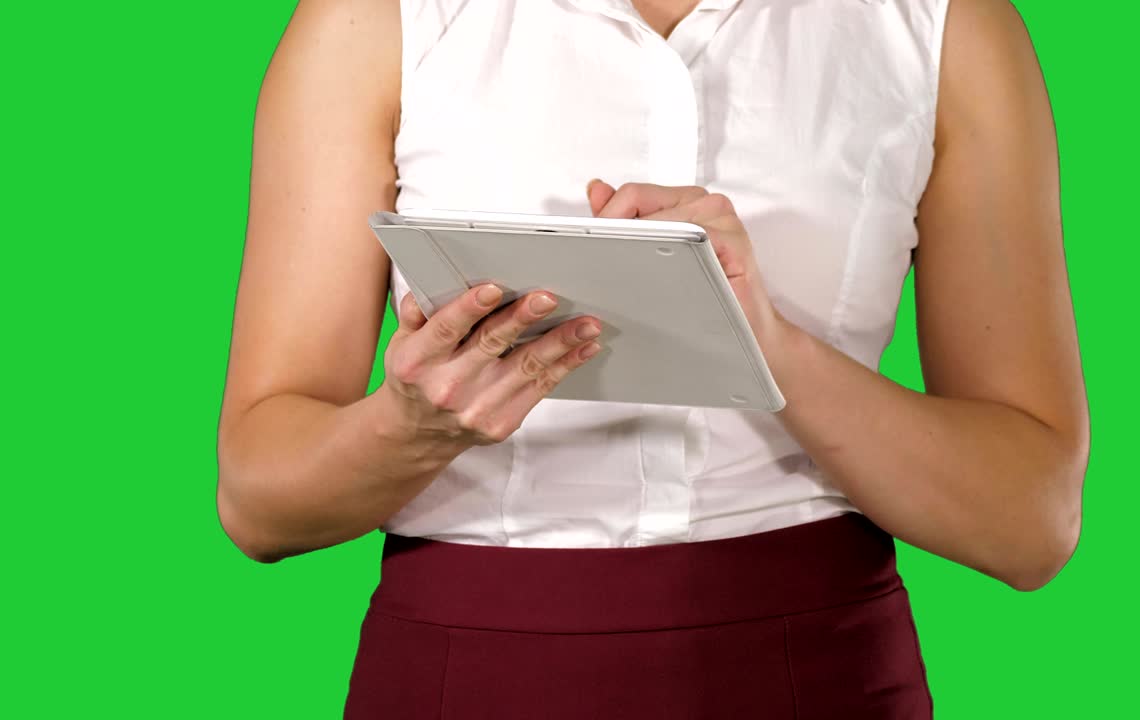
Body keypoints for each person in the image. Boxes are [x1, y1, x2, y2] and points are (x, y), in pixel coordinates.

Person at [216, 0, 1090, 717]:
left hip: (820, 676)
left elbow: (1029, 524)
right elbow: (259, 502)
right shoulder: (379, 20)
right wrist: (411, 426)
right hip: (466, 670)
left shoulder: (943, 26)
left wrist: (768, 345)